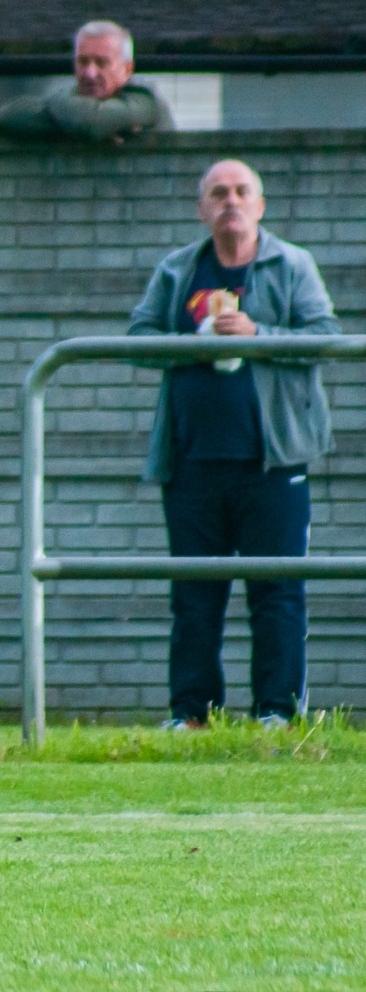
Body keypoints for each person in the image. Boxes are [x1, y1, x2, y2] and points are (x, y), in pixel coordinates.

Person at [127, 159, 339, 729]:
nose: (231, 201)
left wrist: (257, 335)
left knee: (277, 592)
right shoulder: (178, 270)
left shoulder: (292, 265)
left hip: (274, 461)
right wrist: (191, 344)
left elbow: (326, 338)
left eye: (242, 191)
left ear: (260, 205)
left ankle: (278, 713)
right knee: (195, 597)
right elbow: (137, 338)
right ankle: (191, 716)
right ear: (202, 209)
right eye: (218, 193)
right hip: (191, 464)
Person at [0, 21, 172, 143]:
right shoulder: (70, 100)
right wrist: (76, 128)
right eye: (83, 61)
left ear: (127, 69)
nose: (90, 73)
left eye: (102, 63)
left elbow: (92, 123)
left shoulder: (145, 100)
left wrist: (68, 120)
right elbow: (7, 117)